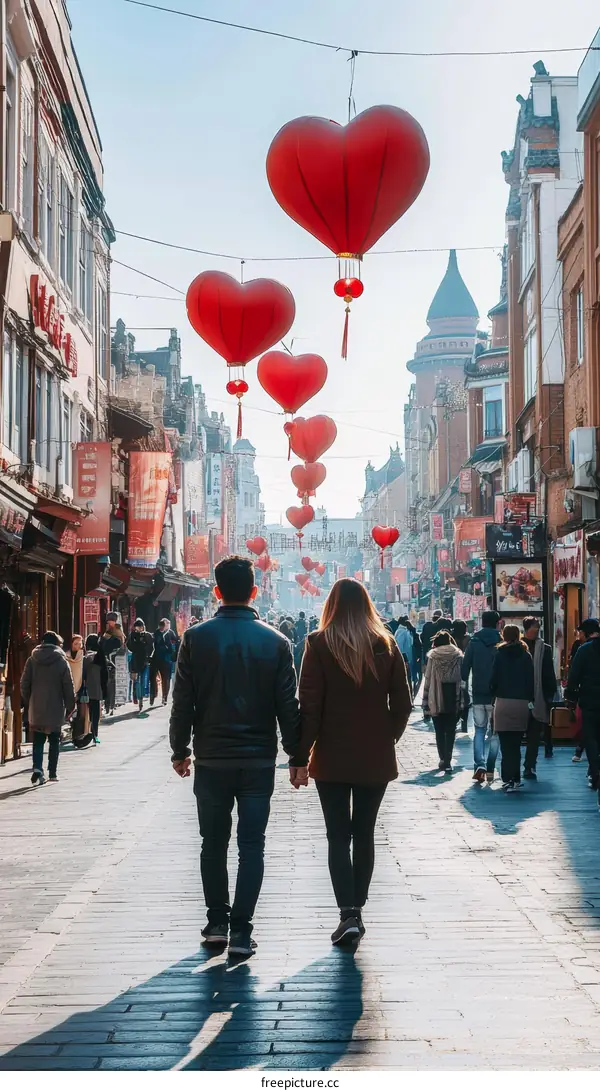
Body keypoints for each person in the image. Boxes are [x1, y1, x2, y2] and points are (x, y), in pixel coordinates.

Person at [169, 556, 301, 956]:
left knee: (213, 842)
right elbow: (288, 706)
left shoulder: (195, 638)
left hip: (210, 760)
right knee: (252, 845)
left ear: (217, 591)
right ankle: (242, 929)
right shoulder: (276, 642)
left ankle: (216, 922)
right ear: (255, 591)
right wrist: (297, 755)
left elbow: (182, 703)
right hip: (259, 760)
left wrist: (180, 750)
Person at [291, 578, 412, 945]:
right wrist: (385, 737)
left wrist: (300, 755)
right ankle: (358, 909)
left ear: (331, 606)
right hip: (374, 757)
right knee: (365, 832)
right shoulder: (385, 645)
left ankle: (348, 913)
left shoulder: (318, 643)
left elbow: (309, 708)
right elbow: (404, 704)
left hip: (331, 755)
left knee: (337, 835)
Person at [21, 632, 76, 785]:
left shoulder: (32, 660)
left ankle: (38, 768)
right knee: (54, 740)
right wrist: (70, 705)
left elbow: (24, 684)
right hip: (56, 706)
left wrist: (29, 700)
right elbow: (68, 685)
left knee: (38, 740)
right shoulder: (61, 661)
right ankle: (52, 772)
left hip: (36, 706)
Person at [489, 625, 534, 793]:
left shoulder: (499, 654)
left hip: (503, 703)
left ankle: (508, 778)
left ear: (504, 636)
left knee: (505, 743)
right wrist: (530, 699)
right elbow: (531, 681)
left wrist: (493, 692)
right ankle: (515, 778)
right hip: (521, 703)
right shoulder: (526, 655)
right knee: (516, 743)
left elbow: (493, 678)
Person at [461, 610, 502, 784]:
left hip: (478, 693)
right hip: (497, 695)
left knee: (479, 730)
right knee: (494, 732)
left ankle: (480, 764)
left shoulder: (474, 641)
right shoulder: (501, 642)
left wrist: (466, 684)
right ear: (497, 623)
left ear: (482, 622)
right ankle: (491, 768)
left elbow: (464, 669)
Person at [565, 618, 600, 801]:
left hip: (590, 702)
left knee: (591, 738)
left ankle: (595, 774)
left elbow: (574, 676)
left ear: (586, 633)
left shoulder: (584, 650)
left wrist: (571, 696)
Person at [422, 630, 464, 773]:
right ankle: (448, 759)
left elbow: (427, 679)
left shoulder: (433, 656)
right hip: (453, 697)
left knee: (439, 731)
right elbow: (462, 678)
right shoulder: (458, 655)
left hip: (436, 697)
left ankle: (442, 759)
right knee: (451, 731)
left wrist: (425, 701)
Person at [522, 616, 557, 777]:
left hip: (539, 696)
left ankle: (530, 765)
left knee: (534, 735)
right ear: (527, 627)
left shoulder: (545, 648)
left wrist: (549, 696)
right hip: (519, 697)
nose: (538, 629)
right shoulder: (517, 647)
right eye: (536, 626)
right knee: (517, 734)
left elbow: (549, 673)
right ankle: (516, 766)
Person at [127, 619, 154, 714]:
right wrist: (136, 640)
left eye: (140, 626)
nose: (139, 628)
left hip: (145, 660)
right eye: (137, 627)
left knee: (144, 680)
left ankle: (142, 697)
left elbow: (151, 647)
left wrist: (149, 656)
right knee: (136, 680)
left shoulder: (148, 635)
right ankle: (137, 697)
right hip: (135, 660)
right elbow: (129, 646)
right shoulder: (132, 635)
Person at [84, 635, 107, 744]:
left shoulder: (85, 657)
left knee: (85, 712)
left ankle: (86, 731)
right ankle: (95, 733)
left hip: (85, 688)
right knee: (95, 712)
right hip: (96, 688)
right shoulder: (99, 656)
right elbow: (105, 674)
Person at [101, 612, 125, 715]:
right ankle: (108, 705)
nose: (109, 622)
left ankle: (111, 705)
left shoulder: (117, 630)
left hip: (116, 660)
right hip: (108, 659)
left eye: (110, 621)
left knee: (113, 683)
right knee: (108, 683)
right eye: (108, 621)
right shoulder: (108, 630)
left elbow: (121, 644)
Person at [151, 618, 179, 706]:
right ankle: (154, 693)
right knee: (153, 677)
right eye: (166, 624)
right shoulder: (157, 633)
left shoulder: (171, 633)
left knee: (166, 679)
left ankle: (165, 697)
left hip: (167, 659)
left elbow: (175, 644)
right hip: (157, 658)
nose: (167, 626)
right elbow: (154, 644)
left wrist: (172, 652)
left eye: (168, 624)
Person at [451, 620, 471, 733]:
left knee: (454, 697)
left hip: (453, 672)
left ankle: (455, 721)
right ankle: (464, 724)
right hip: (464, 672)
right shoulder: (468, 639)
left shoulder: (451, 638)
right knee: (465, 697)